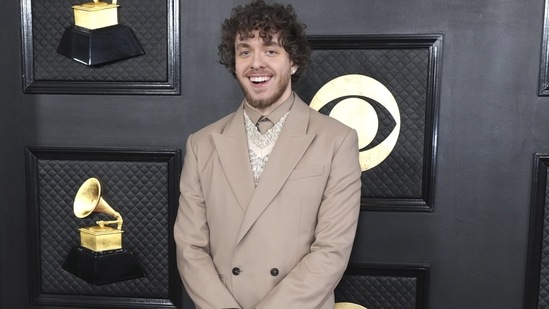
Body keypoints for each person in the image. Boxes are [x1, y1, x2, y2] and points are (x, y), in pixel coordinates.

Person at [173, 1, 362, 308]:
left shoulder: (336, 141)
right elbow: (190, 248)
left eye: (271, 50)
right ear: (234, 62)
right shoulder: (202, 144)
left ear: (293, 61)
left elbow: (331, 251)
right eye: (245, 51)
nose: (256, 63)